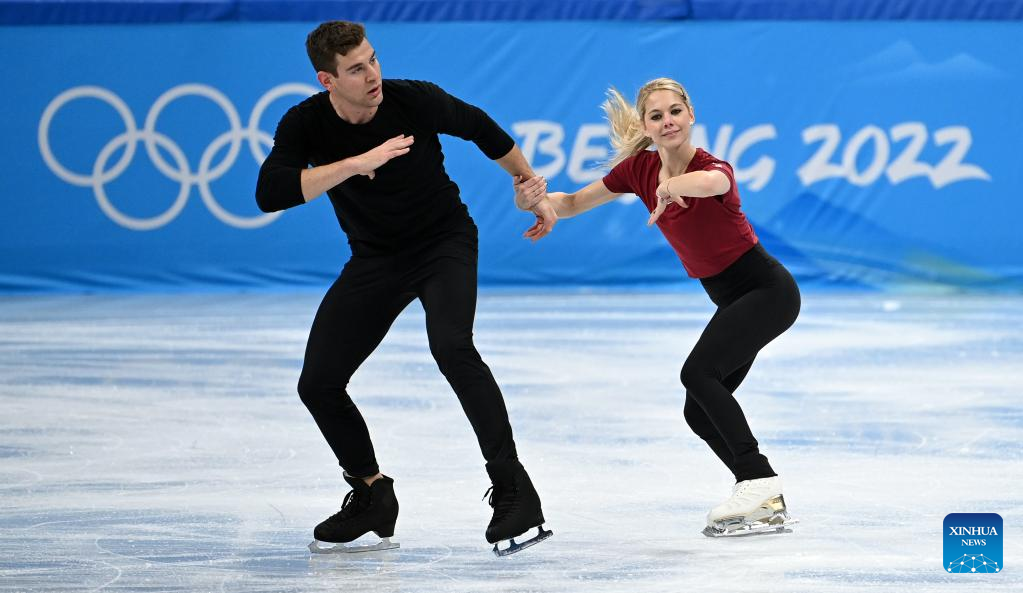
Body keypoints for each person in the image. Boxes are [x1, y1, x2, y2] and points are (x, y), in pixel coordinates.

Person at [255, 20, 555, 555]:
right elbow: (269, 192)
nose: (372, 74)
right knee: (318, 383)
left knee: (453, 348)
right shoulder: (305, 122)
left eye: (372, 59)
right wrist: (355, 164)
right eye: (356, 69)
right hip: (376, 259)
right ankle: (372, 495)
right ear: (328, 80)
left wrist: (529, 185)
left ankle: (514, 488)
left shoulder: (413, 99)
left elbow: (482, 128)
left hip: (443, 243)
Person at [515, 78, 800, 537]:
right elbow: (571, 202)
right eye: (656, 115)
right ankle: (760, 495)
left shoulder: (710, 167)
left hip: (768, 292)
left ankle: (758, 479)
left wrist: (673, 186)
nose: (668, 121)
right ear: (646, 126)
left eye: (675, 111)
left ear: (691, 115)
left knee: (698, 374)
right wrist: (535, 202)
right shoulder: (638, 170)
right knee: (697, 410)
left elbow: (716, 181)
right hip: (733, 298)